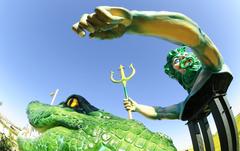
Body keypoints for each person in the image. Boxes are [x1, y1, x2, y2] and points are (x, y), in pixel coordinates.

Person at [72, 6, 228, 120]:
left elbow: (196, 38)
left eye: (184, 56)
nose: (183, 61)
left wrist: (134, 23)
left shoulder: (212, 65)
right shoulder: (188, 102)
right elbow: (160, 112)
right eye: (176, 61)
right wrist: (137, 107)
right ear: (175, 73)